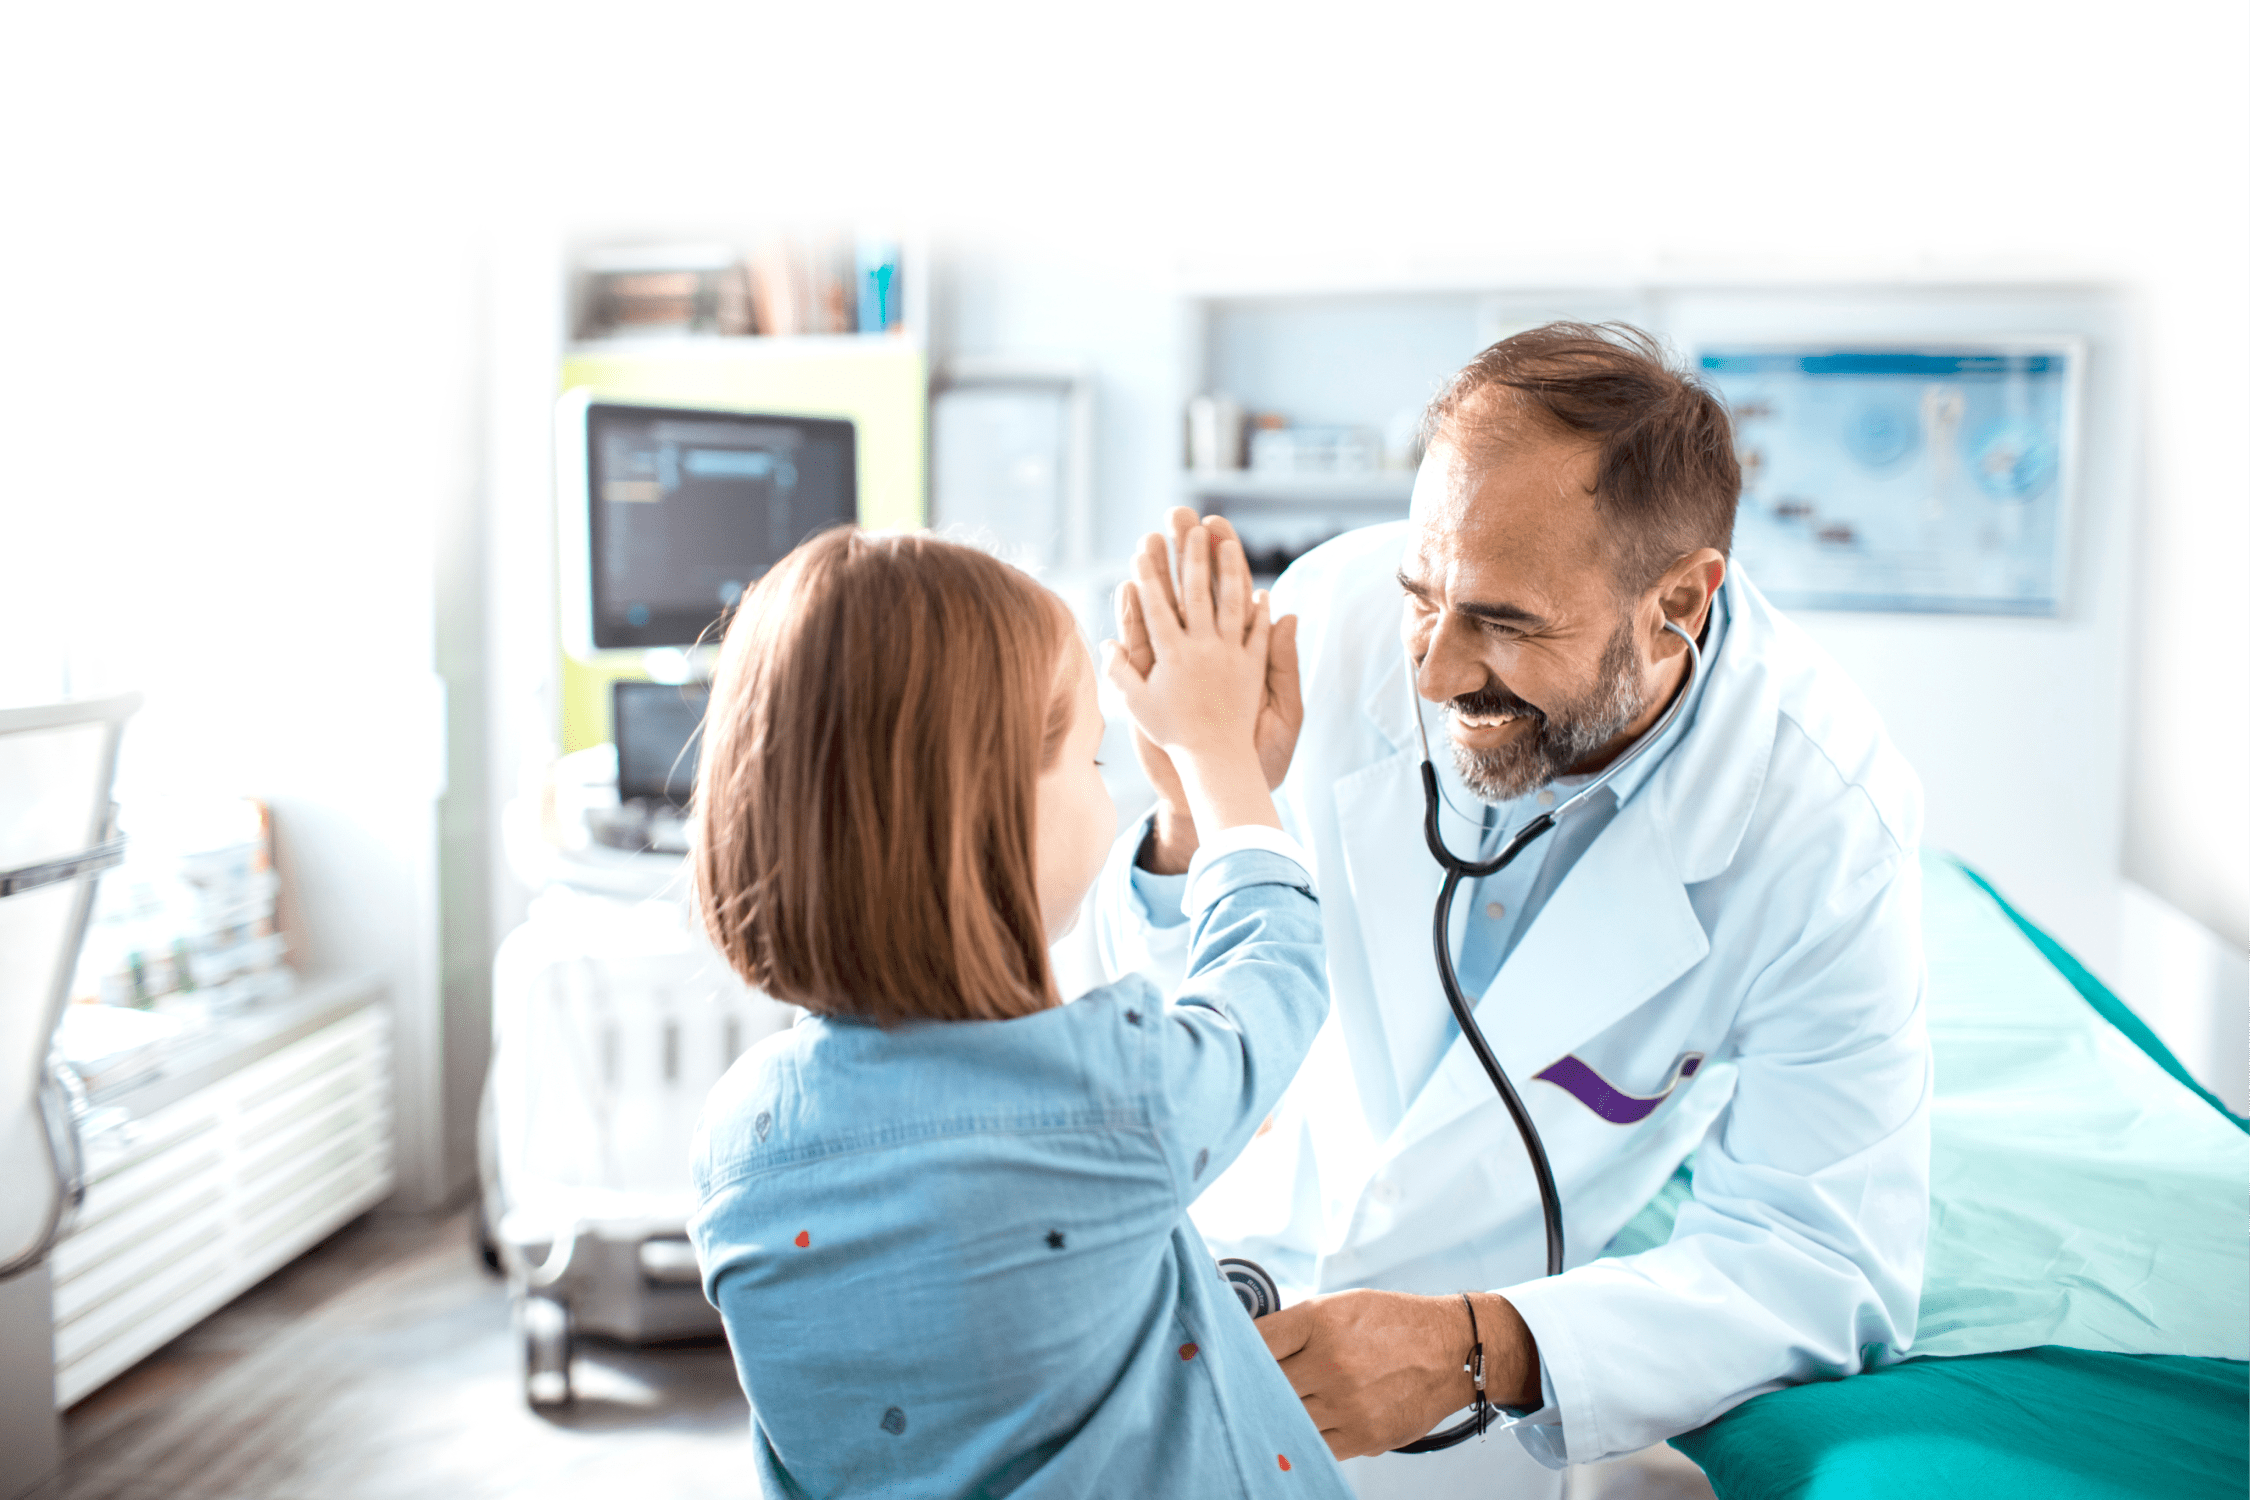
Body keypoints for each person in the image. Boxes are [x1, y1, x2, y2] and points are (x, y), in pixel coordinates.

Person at [1095, 323, 1932, 1497]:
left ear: (1677, 603)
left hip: (1470, 1410)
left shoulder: (1823, 826)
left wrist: (1479, 1348)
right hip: (1211, 1282)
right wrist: (1195, 815)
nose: (1433, 672)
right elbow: (1121, 1012)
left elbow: (1822, 1258)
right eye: (1423, 597)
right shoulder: (1333, 620)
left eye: (1505, 621)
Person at [687, 526, 1354, 1497]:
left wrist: (1184, 815)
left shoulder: (738, 1139)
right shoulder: (1106, 1094)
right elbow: (1276, 962)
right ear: (988, 818)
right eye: (1088, 762)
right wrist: (1220, 757)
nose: (1104, 783)